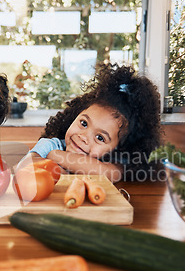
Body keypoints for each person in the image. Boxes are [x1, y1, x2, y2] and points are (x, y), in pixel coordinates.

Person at [24, 63, 162, 183]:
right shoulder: (50, 144)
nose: (83, 137)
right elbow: (28, 165)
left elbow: (108, 173)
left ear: (119, 150)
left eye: (100, 138)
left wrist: (55, 155)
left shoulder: (112, 162)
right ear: (75, 115)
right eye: (84, 123)